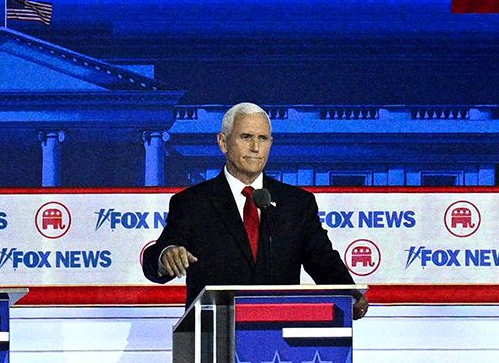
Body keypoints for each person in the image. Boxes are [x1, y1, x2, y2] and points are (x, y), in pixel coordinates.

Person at [142, 103, 353, 297]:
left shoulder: (297, 203)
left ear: (271, 143)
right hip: (216, 330)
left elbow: (323, 259)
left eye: (263, 138)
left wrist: (351, 295)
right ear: (223, 142)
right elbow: (157, 258)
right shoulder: (192, 203)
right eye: (246, 137)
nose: (255, 147)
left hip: (279, 330)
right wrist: (166, 256)